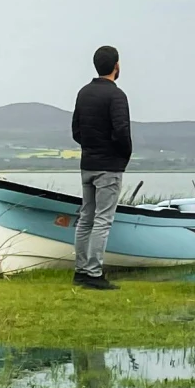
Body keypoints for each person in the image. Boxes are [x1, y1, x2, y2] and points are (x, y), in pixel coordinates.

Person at [71, 45, 132, 290]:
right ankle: (94, 274)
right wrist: (123, 154)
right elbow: (122, 131)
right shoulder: (117, 96)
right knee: (102, 220)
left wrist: (91, 147)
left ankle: (80, 270)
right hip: (109, 167)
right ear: (116, 66)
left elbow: (76, 130)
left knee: (86, 218)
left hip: (88, 164)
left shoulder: (83, 93)